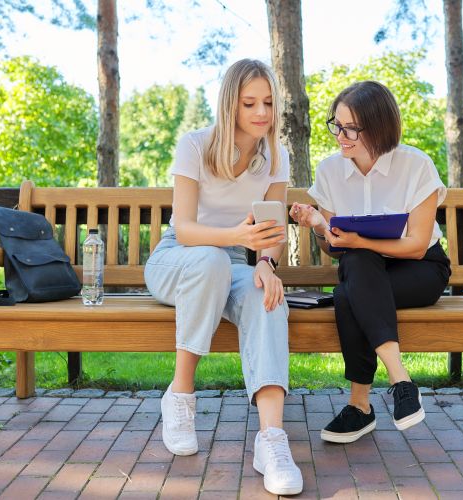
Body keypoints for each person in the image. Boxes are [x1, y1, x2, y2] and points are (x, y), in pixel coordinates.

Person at [144, 59, 302, 496]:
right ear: (229, 103)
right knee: (211, 260)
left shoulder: (276, 157)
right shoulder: (194, 145)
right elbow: (187, 228)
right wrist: (235, 235)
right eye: (250, 102)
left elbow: (270, 231)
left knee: (265, 298)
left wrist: (267, 266)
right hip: (179, 257)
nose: (262, 112)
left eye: (269, 102)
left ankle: (271, 440)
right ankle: (180, 394)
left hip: (233, 261)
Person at [290, 81, 451, 444]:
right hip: (365, 272)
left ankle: (360, 408)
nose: (340, 136)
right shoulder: (330, 171)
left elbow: (416, 245)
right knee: (355, 276)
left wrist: (359, 241)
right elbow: (337, 248)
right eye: (337, 125)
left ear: (379, 128)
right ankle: (401, 383)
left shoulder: (416, 165)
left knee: (353, 288)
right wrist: (319, 225)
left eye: (351, 129)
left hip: (421, 269)